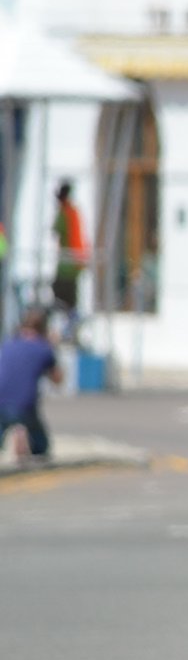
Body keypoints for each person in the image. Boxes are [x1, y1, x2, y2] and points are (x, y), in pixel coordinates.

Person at [0, 306, 62, 463]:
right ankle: (21, 430)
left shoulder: (8, 344)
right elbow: (58, 380)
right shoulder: (43, 349)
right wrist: (53, 348)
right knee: (41, 446)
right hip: (24, 405)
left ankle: (16, 431)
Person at [50, 181, 89, 336]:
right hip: (74, 261)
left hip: (67, 263)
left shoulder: (65, 212)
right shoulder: (73, 211)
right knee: (69, 296)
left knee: (61, 292)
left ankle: (71, 322)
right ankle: (71, 320)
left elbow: (57, 230)